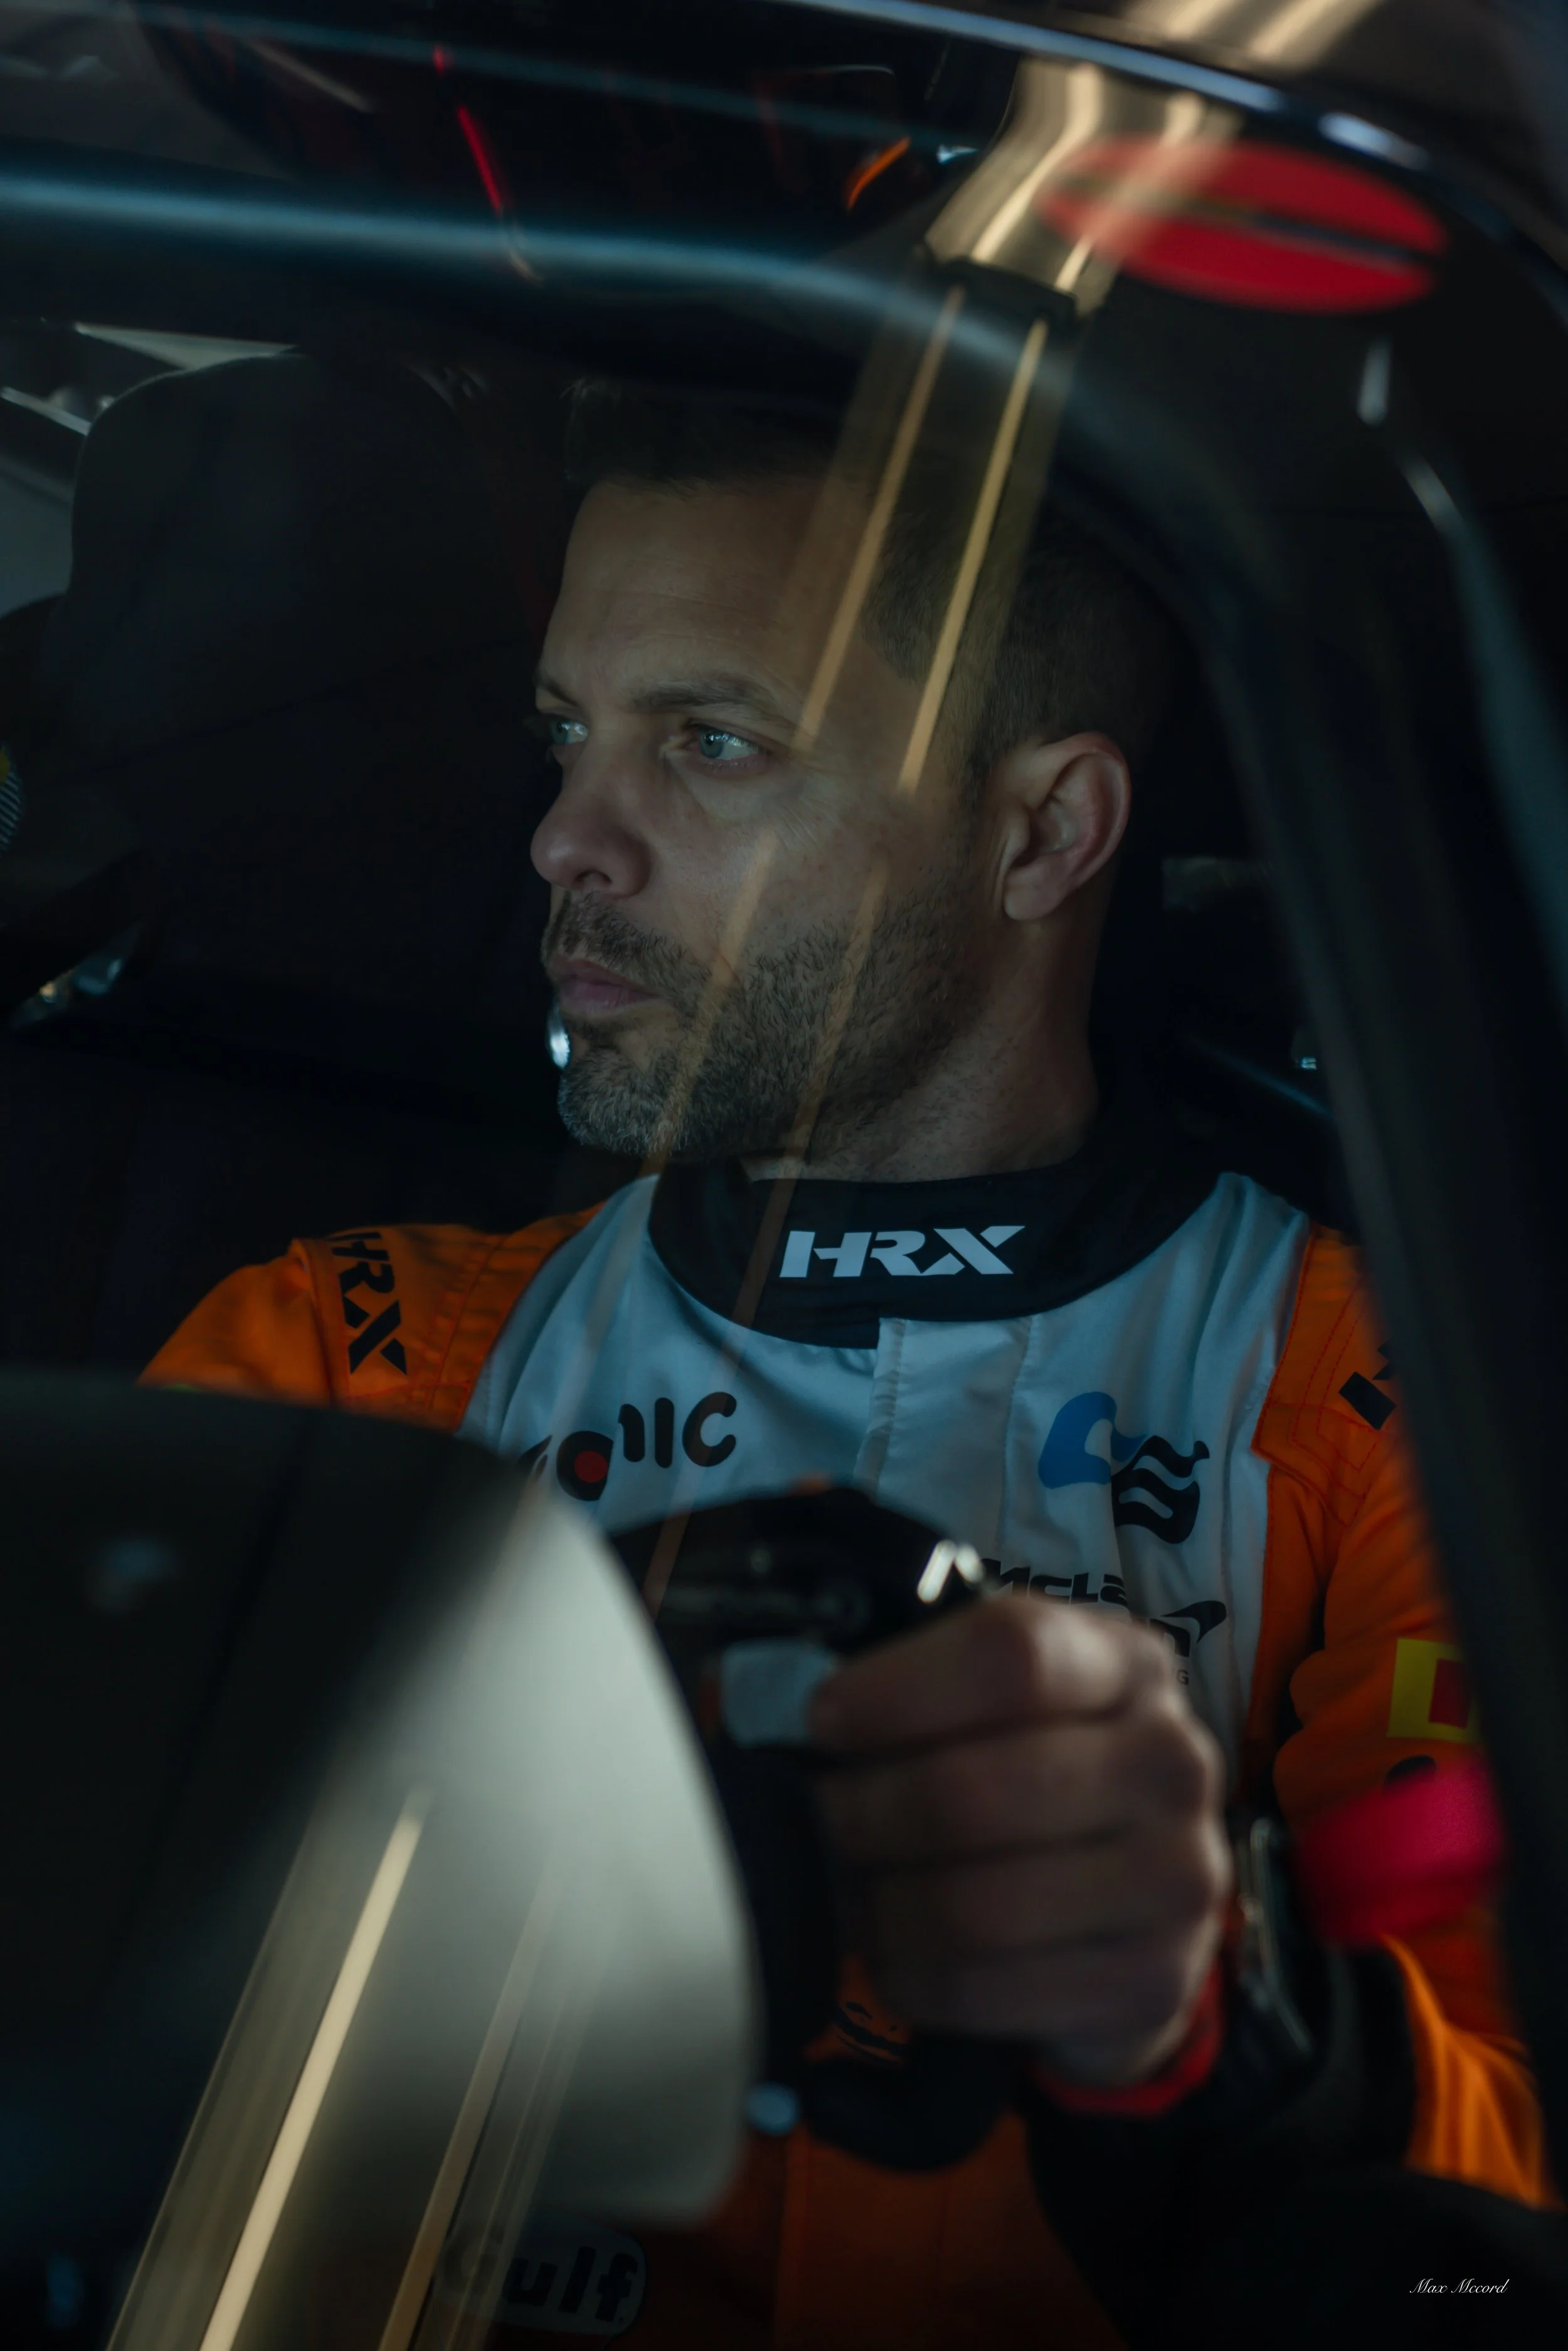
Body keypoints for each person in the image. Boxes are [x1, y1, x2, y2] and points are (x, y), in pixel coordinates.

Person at [144, 385, 1555, 2347]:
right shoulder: (336, 1356)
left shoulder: (1403, 1411)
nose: (566, 837)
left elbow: (1505, 2240)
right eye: (569, 732)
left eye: (712, 744)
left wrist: (1234, 2016)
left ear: (1044, 828)